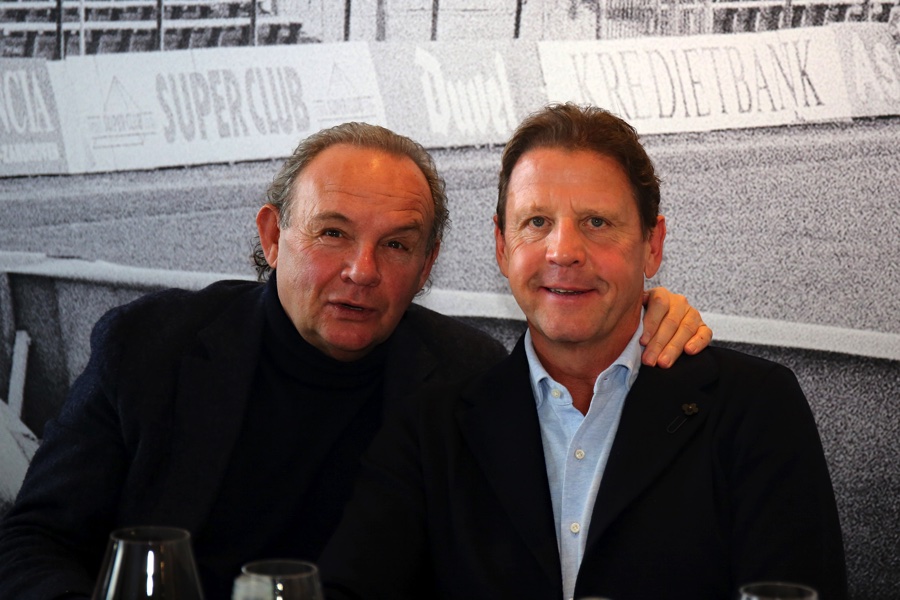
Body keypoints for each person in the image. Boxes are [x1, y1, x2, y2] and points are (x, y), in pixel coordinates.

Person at [0, 121, 711, 599]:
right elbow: (32, 542)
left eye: (396, 245)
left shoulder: (465, 376)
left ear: (428, 265)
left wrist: (639, 316)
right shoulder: (149, 346)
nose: (362, 271)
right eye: (333, 234)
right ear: (273, 236)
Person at [318, 105, 848, 600]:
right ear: (502, 247)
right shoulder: (430, 429)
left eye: (597, 222)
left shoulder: (755, 407)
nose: (564, 251)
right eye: (537, 222)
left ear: (652, 245)